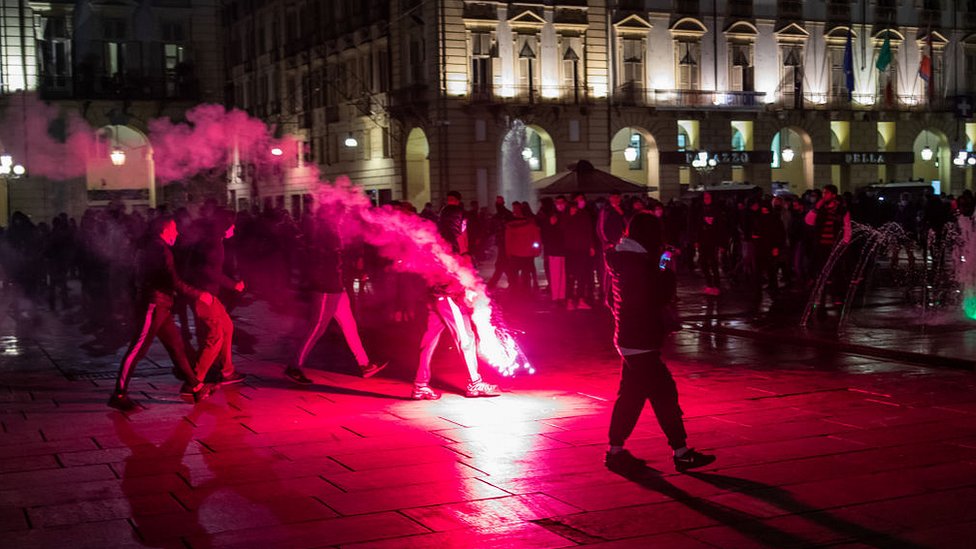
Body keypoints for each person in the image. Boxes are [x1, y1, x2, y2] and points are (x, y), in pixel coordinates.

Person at [604, 212, 715, 474]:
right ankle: (681, 453)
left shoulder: (622, 259)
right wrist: (665, 266)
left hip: (630, 337)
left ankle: (615, 450)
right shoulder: (640, 264)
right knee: (664, 394)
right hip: (640, 340)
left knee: (631, 395)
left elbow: (610, 299)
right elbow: (659, 295)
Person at [109, 216, 217, 411]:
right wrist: (199, 294)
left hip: (161, 305)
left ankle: (196, 386)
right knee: (137, 349)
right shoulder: (160, 250)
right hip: (154, 305)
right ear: (165, 230)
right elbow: (172, 280)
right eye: (174, 229)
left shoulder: (152, 247)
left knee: (177, 347)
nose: (176, 233)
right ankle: (119, 394)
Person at [284, 204, 387, 384]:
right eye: (341, 213)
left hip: (337, 287)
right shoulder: (326, 233)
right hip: (327, 288)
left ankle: (364, 364)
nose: (344, 216)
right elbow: (325, 262)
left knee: (349, 325)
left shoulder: (332, 231)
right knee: (317, 327)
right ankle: (294, 365)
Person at [185, 210, 247, 386]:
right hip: (205, 296)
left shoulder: (211, 241)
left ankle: (227, 371)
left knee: (227, 327)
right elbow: (208, 271)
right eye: (232, 224)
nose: (234, 227)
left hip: (209, 294)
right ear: (225, 226)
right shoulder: (214, 244)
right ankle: (196, 379)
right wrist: (233, 284)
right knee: (216, 336)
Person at [411, 279, 500, 400]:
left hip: (436, 297)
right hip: (448, 297)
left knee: (428, 342)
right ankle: (475, 383)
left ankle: (420, 385)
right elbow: (453, 272)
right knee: (466, 340)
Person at [598, 190, 627, 306]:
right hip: (610, 245)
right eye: (613, 197)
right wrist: (606, 242)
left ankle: (619, 293)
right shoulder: (606, 211)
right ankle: (607, 294)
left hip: (621, 245)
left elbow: (627, 224)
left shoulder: (623, 210)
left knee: (620, 270)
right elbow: (600, 228)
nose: (616, 200)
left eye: (618, 197)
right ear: (610, 198)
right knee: (609, 270)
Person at [504, 202, 541, 294]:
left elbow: (508, 240)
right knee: (526, 275)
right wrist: (536, 250)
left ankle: (515, 292)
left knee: (514, 275)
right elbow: (536, 237)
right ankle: (526, 293)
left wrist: (508, 251)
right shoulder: (531, 224)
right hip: (528, 253)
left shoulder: (510, 225)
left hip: (515, 253)